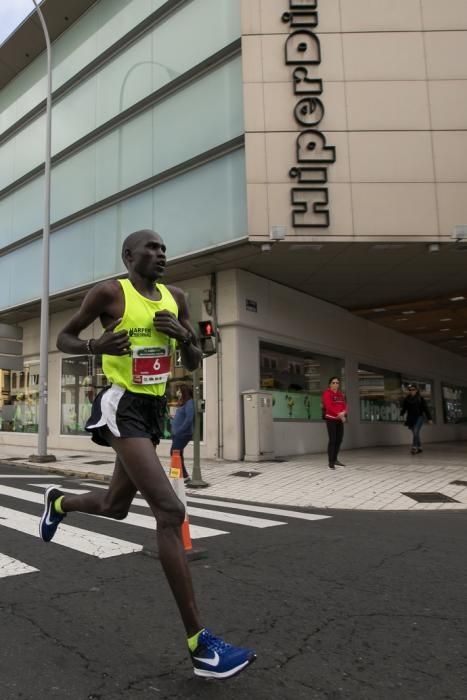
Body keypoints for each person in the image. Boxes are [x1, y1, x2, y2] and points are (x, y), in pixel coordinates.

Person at [38, 229, 256, 679]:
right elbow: (65, 338)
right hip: (121, 403)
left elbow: (197, 357)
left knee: (115, 507)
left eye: (164, 250)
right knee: (170, 510)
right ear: (129, 256)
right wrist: (96, 346)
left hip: (155, 408)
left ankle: (58, 501)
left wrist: (183, 336)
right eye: (151, 249)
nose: (160, 255)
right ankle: (201, 645)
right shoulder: (107, 293)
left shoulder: (176, 297)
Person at [322, 376, 347, 469]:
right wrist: (340, 414)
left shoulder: (340, 394)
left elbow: (345, 405)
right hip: (331, 419)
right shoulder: (327, 393)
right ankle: (331, 462)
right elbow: (328, 406)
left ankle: (335, 459)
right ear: (330, 384)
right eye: (333, 382)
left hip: (339, 420)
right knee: (332, 440)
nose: (335, 384)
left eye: (337, 383)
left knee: (339, 440)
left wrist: (344, 413)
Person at [170, 384, 194, 482]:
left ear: (183, 392)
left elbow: (189, 419)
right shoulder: (184, 403)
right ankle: (182, 476)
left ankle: (178, 475)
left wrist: (179, 431)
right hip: (178, 434)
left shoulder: (189, 403)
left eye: (179, 391)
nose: (177, 393)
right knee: (178, 454)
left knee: (174, 453)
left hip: (183, 434)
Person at [400, 384, 432, 454]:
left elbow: (426, 409)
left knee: (415, 431)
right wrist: (401, 415)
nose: (412, 391)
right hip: (410, 418)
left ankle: (414, 447)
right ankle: (420, 447)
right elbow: (404, 408)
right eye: (410, 390)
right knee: (415, 433)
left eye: (413, 389)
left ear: (416, 390)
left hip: (419, 417)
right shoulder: (407, 399)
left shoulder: (420, 398)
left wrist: (429, 418)